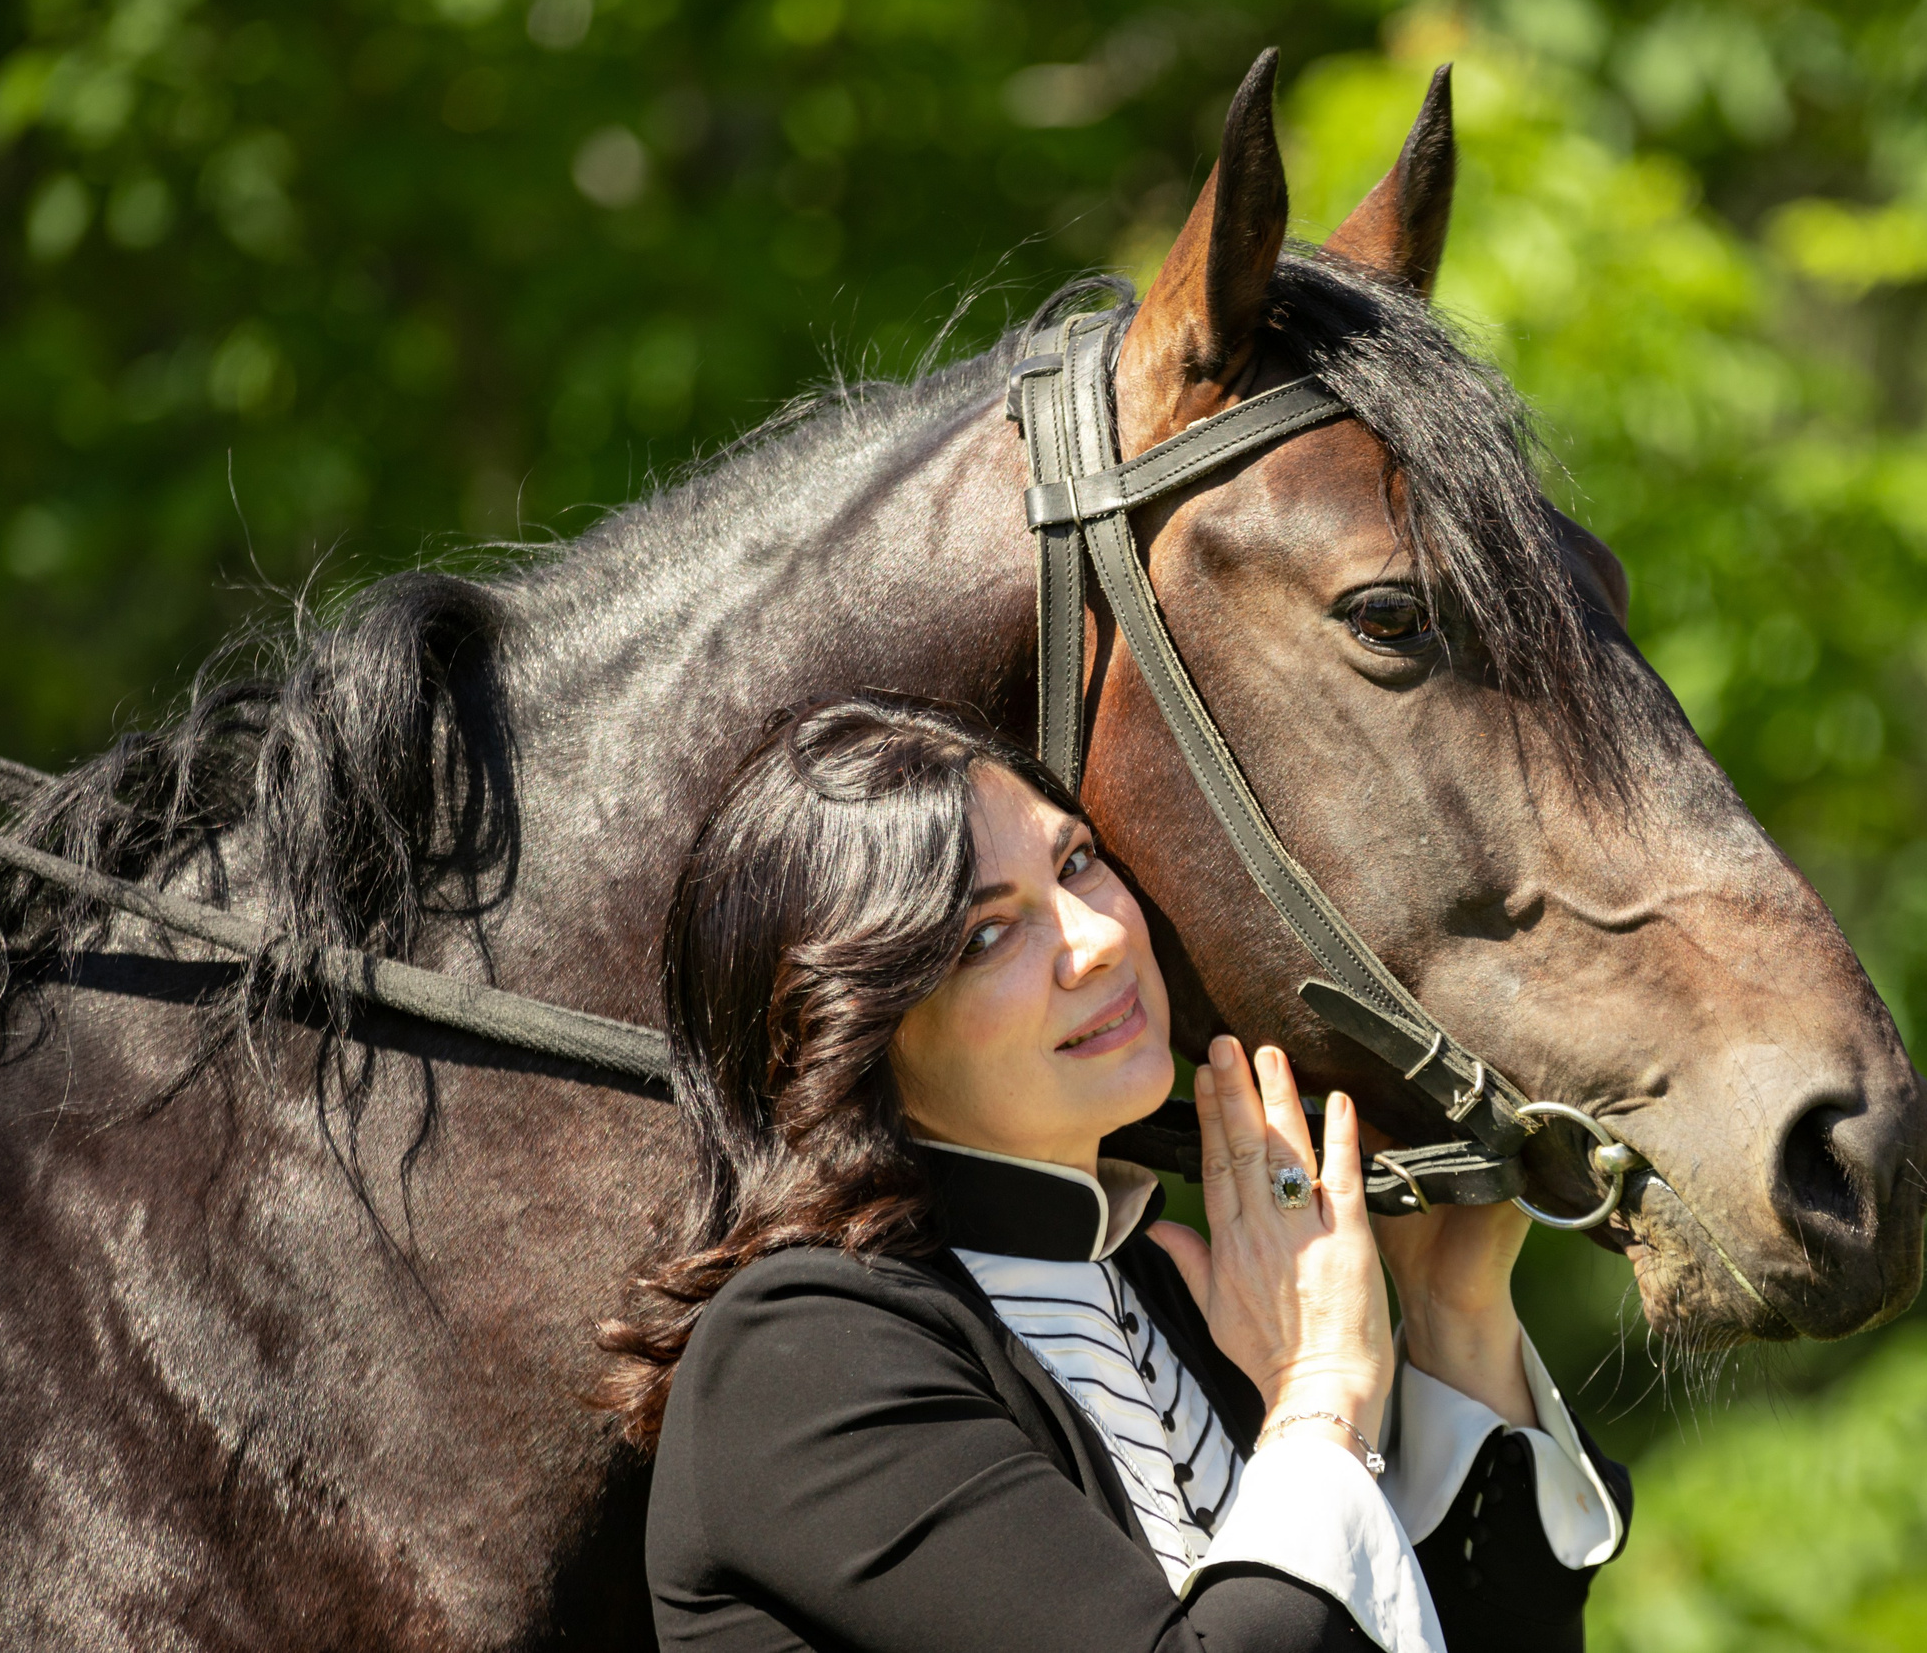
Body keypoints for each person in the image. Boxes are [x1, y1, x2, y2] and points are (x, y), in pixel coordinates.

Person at [600, 695, 1631, 1653]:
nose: (1094, 939)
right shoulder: (797, 1354)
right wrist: (1319, 1393)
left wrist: (1452, 1318)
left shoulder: (1168, 1291)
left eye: (1079, 862)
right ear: (843, 1036)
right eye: (986, 934)